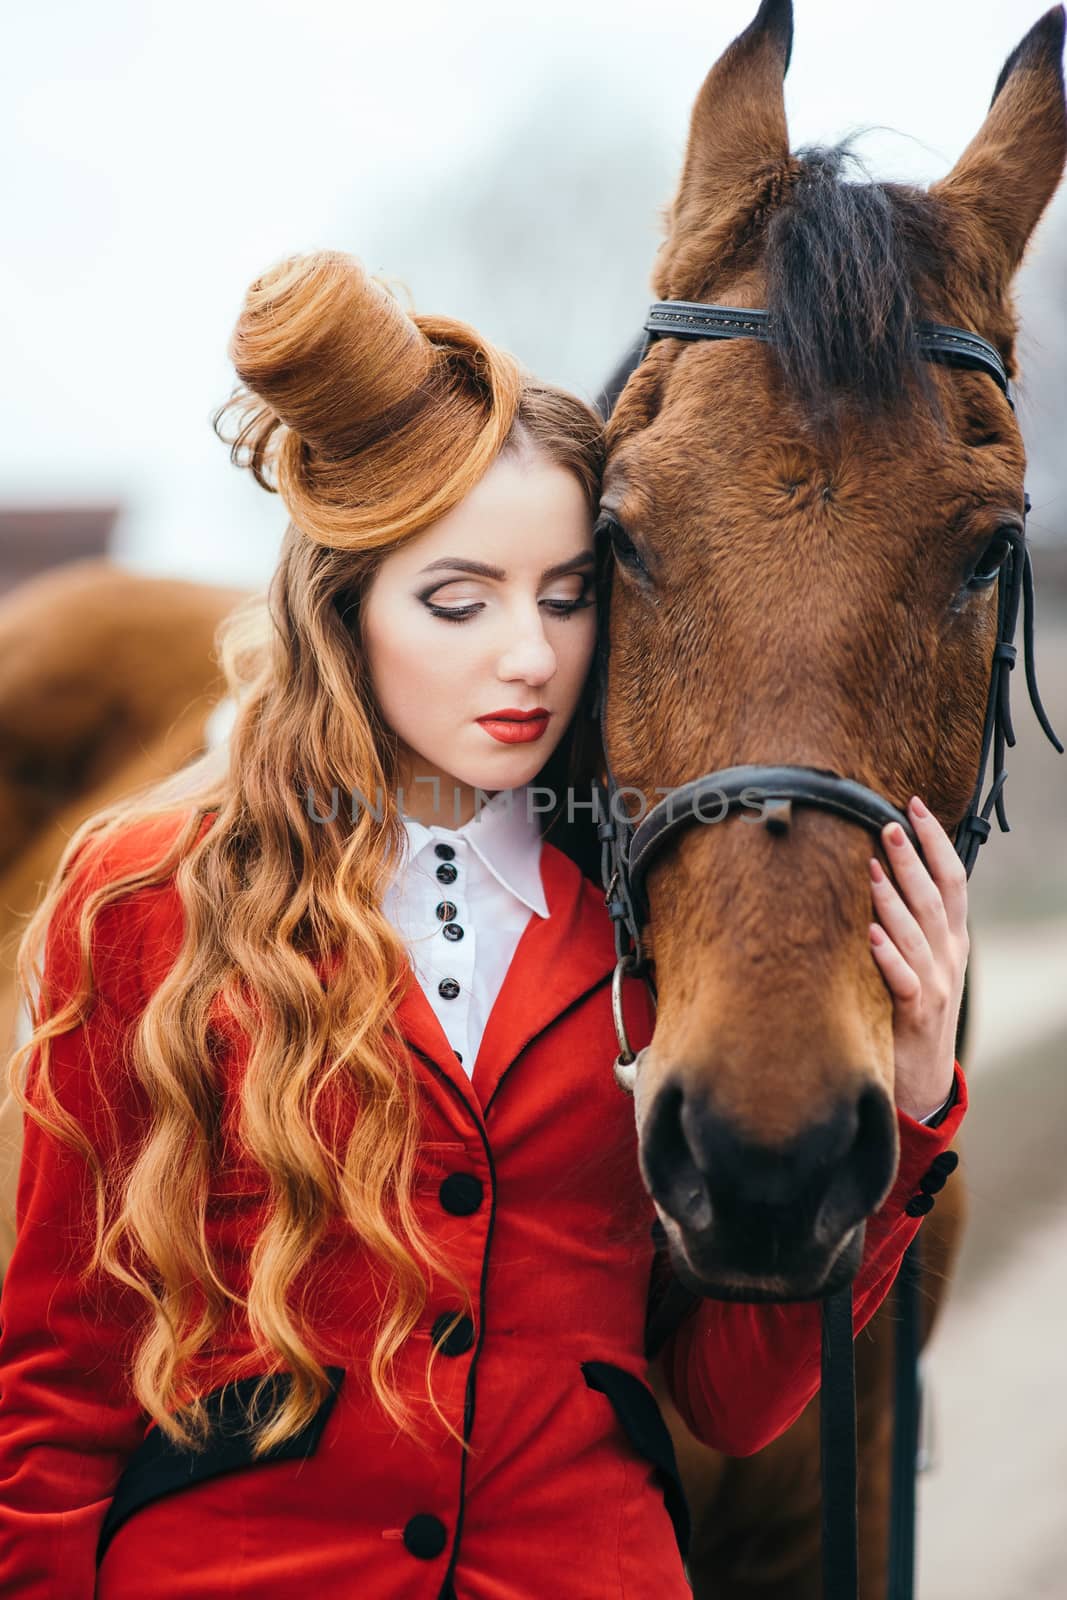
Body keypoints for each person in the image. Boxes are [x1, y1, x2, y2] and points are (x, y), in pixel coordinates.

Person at [0, 250, 967, 1599]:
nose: (528, 657)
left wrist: (914, 1109)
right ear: (349, 609)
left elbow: (731, 1405)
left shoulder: (641, 938)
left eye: (568, 598)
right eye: (460, 601)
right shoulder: (144, 895)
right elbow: (58, 1384)